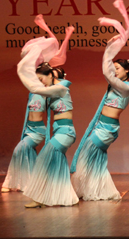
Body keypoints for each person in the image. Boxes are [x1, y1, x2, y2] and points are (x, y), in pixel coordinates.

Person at [71, 0, 129, 201]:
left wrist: (110, 50)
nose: (114, 72)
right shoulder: (115, 86)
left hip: (107, 129)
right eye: (115, 68)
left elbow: (107, 74)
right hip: (101, 126)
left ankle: (87, 189)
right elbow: (109, 76)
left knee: (85, 157)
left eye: (118, 69)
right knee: (96, 160)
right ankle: (98, 190)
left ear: (126, 72)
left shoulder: (125, 88)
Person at [19, 26, 79, 208]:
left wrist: (23, 70)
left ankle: (39, 197)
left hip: (66, 133)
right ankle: (66, 197)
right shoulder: (50, 88)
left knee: (44, 159)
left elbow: (37, 90)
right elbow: (37, 95)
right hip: (59, 132)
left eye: (42, 79)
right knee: (57, 164)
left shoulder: (61, 88)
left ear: (50, 75)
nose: (40, 83)